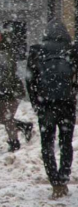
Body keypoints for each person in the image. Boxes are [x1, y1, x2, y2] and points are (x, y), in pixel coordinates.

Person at [26, 20, 78, 199]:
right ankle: (63, 179)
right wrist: (73, 95)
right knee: (66, 143)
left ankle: (54, 181)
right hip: (66, 103)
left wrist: (35, 102)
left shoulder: (37, 50)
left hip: (46, 103)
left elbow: (30, 79)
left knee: (47, 144)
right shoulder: (72, 49)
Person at [0, 25, 33, 152]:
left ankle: (14, 143)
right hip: (1, 89)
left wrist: (5, 89)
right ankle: (24, 126)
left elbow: (8, 73)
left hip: (10, 90)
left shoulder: (5, 52)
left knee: (7, 118)